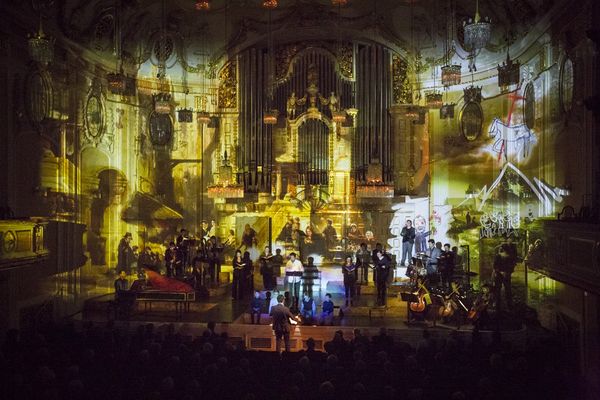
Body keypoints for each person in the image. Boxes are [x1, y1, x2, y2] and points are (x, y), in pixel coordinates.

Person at [493, 243, 515, 309]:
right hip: (506, 275)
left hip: (499, 275)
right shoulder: (510, 257)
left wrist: (500, 272)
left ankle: (498, 306)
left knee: (498, 290)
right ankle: (509, 305)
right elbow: (512, 267)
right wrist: (507, 272)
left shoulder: (498, 256)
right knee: (508, 290)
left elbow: (495, 266)